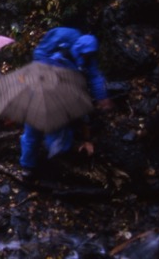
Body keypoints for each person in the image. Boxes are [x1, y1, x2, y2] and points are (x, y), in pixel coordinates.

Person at [19, 28, 112, 177]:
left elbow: (94, 76)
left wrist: (102, 97)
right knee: (35, 131)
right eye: (83, 55)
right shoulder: (63, 37)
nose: (85, 57)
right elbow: (39, 55)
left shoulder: (86, 58)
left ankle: (50, 157)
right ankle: (29, 166)